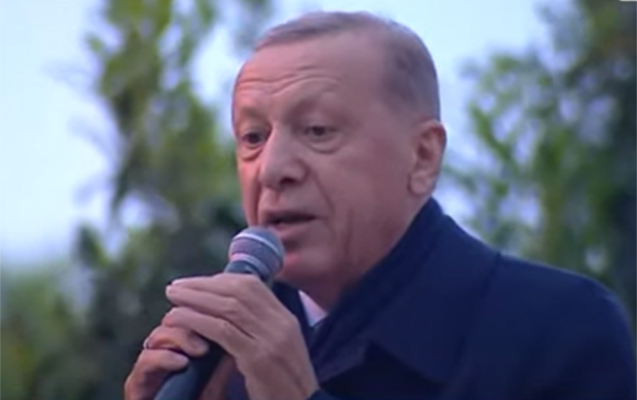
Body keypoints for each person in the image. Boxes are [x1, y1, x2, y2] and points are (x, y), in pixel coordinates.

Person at [124, 11, 636, 400]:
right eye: (253, 137)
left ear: (422, 157)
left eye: (317, 130)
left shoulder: (557, 331)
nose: (272, 168)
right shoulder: (220, 362)